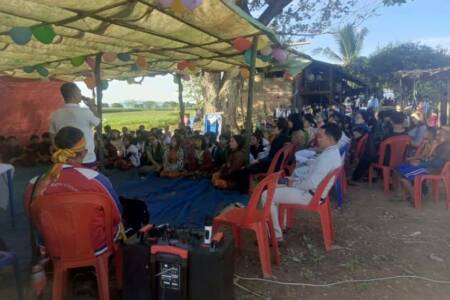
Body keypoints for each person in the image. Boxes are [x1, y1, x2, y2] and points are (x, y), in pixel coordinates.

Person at [25, 126, 123, 256]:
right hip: (96, 246)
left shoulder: (34, 184)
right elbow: (116, 215)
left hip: (53, 247)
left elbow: (33, 217)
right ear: (83, 152)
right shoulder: (97, 180)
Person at [261, 123, 343, 241]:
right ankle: (280, 226)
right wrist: (295, 181)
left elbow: (311, 184)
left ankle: (274, 236)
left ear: (330, 139)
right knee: (275, 187)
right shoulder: (332, 153)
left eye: (320, 136)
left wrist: (294, 184)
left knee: (266, 195)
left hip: (309, 195)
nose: (317, 138)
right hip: (314, 193)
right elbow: (313, 178)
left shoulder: (328, 157)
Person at [49, 83, 100, 168]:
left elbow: (52, 136)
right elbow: (98, 123)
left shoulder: (55, 114)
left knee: (69, 180)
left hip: (65, 159)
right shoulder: (85, 112)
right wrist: (92, 106)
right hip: (86, 158)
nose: (81, 94)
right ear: (74, 94)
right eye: (79, 91)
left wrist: (60, 152)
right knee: (88, 180)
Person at [396, 126, 450, 202]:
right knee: (401, 167)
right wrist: (420, 162)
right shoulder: (443, 145)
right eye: (439, 134)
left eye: (441, 134)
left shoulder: (446, 147)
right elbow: (432, 159)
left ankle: (416, 197)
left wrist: (420, 164)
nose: (438, 136)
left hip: (432, 170)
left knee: (404, 175)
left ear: (448, 135)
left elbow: (437, 163)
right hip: (430, 167)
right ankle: (416, 192)